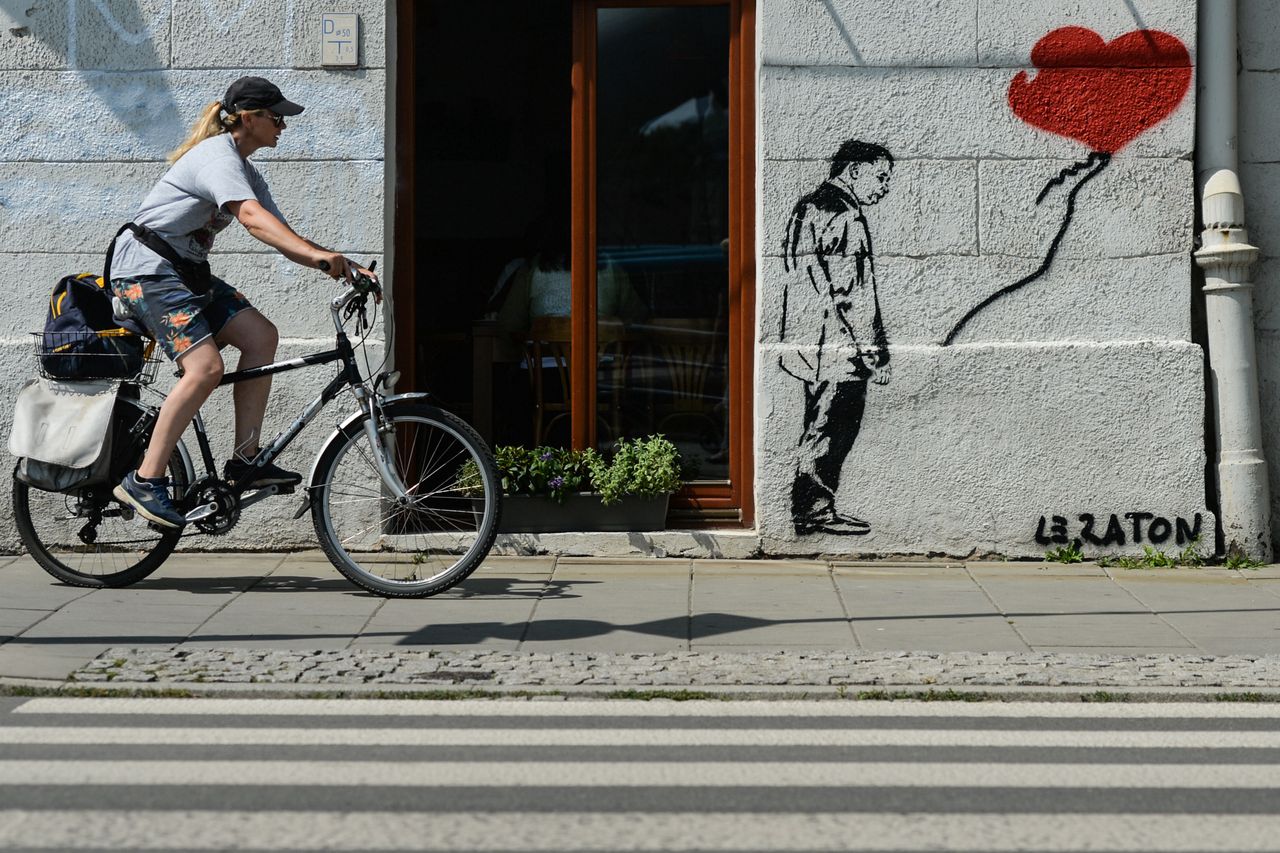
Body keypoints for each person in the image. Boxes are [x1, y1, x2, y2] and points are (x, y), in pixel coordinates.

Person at [108, 76, 375, 529]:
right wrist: (318, 258)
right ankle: (144, 479)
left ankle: (244, 462)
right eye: (277, 118)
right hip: (145, 272)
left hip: (184, 275)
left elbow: (281, 233)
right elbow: (251, 220)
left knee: (261, 336)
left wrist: (341, 263)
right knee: (206, 368)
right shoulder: (216, 158)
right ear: (248, 118)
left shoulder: (247, 170)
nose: (283, 128)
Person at [779, 139, 893, 536]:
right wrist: (875, 354)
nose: (885, 187)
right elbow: (853, 293)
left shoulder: (806, 207)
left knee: (818, 424)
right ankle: (814, 509)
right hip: (840, 349)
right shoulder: (846, 216)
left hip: (810, 343)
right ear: (854, 170)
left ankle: (813, 507)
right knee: (834, 428)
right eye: (880, 177)